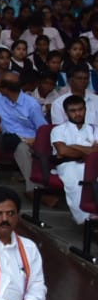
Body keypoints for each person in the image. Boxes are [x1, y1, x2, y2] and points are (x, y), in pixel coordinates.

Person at [0, 71, 47, 184]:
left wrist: (34, 140)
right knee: (15, 143)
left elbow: (43, 129)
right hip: (7, 138)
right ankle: (33, 188)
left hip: (29, 141)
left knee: (22, 148)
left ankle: (32, 188)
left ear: (6, 89)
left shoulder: (32, 104)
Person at [51, 94, 98, 226]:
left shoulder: (94, 129)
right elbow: (62, 151)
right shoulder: (58, 130)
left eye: (80, 109)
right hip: (67, 164)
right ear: (66, 113)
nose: (77, 114)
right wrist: (89, 150)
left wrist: (74, 146)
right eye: (73, 111)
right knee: (75, 181)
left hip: (92, 165)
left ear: (85, 109)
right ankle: (85, 220)